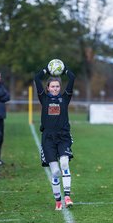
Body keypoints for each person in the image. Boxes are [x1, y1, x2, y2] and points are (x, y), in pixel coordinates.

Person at [34, 63, 76, 211]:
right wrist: (47, 68)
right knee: (55, 171)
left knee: (64, 164)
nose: (55, 89)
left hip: (63, 136)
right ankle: (58, 200)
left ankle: (67, 196)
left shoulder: (65, 98)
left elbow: (72, 77)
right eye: (52, 87)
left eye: (57, 86)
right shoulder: (43, 98)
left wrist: (63, 69)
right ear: (48, 88)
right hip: (48, 139)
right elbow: (36, 77)